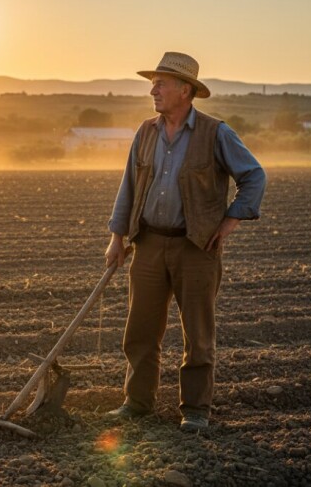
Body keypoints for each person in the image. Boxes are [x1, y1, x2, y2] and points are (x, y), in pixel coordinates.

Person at [104, 52, 266, 432]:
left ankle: (195, 409)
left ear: (185, 90)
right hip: (148, 245)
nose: (153, 89)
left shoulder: (216, 133)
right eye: (154, 82)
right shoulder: (145, 132)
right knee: (140, 329)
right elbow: (128, 186)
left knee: (198, 332)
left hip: (196, 248)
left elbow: (254, 176)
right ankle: (138, 402)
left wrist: (228, 223)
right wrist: (116, 238)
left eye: (161, 83)